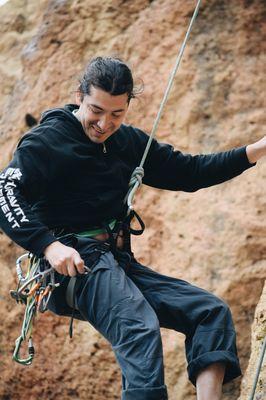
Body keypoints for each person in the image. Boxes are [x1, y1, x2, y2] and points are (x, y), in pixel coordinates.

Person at [0, 56, 265, 400]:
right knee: (138, 327)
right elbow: (5, 191)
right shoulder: (47, 142)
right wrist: (49, 246)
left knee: (209, 313)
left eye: (116, 114)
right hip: (72, 266)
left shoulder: (127, 143)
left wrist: (258, 149)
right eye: (96, 110)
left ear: (127, 106)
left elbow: (191, 172)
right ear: (79, 95)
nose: (103, 123)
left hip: (114, 262)